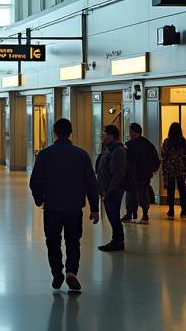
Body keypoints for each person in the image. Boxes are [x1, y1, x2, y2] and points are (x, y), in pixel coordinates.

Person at [29, 117, 100, 292]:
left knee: (52, 241)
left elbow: (35, 181)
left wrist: (39, 199)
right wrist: (94, 208)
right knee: (73, 241)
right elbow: (91, 182)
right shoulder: (81, 155)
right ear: (71, 133)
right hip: (74, 207)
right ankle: (71, 271)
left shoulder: (45, 154)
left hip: (52, 207)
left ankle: (56, 273)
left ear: (54, 133)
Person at [95, 125, 127, 252]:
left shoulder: (117, 150)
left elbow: (118, 172)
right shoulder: (108, 148)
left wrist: (109, 190)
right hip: (107, 189)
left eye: (104, 134)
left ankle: (118, 241)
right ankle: (116, 240)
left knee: (113, 216)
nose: (102, 136)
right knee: (111, 215)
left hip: (113, 190)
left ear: (111, 135)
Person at [123, 122, 160, 225]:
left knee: (131, 194)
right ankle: (144, 214)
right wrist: (153, 169)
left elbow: (126, 161)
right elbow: (156, 159)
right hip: (144, 174)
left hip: (132, 175)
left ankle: (130, 214)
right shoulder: (148, 144)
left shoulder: (128, 145)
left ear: (134, 132)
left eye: (130, 131)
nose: (129, 133)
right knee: (143, 194)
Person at [161, 121, 186, 218]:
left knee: (171, 190)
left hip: (170, 169)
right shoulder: (184, 142)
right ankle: (184, 211)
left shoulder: (167, 142)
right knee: (182, 190)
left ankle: (171, 210)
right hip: (181, 169)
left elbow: (163, 155)